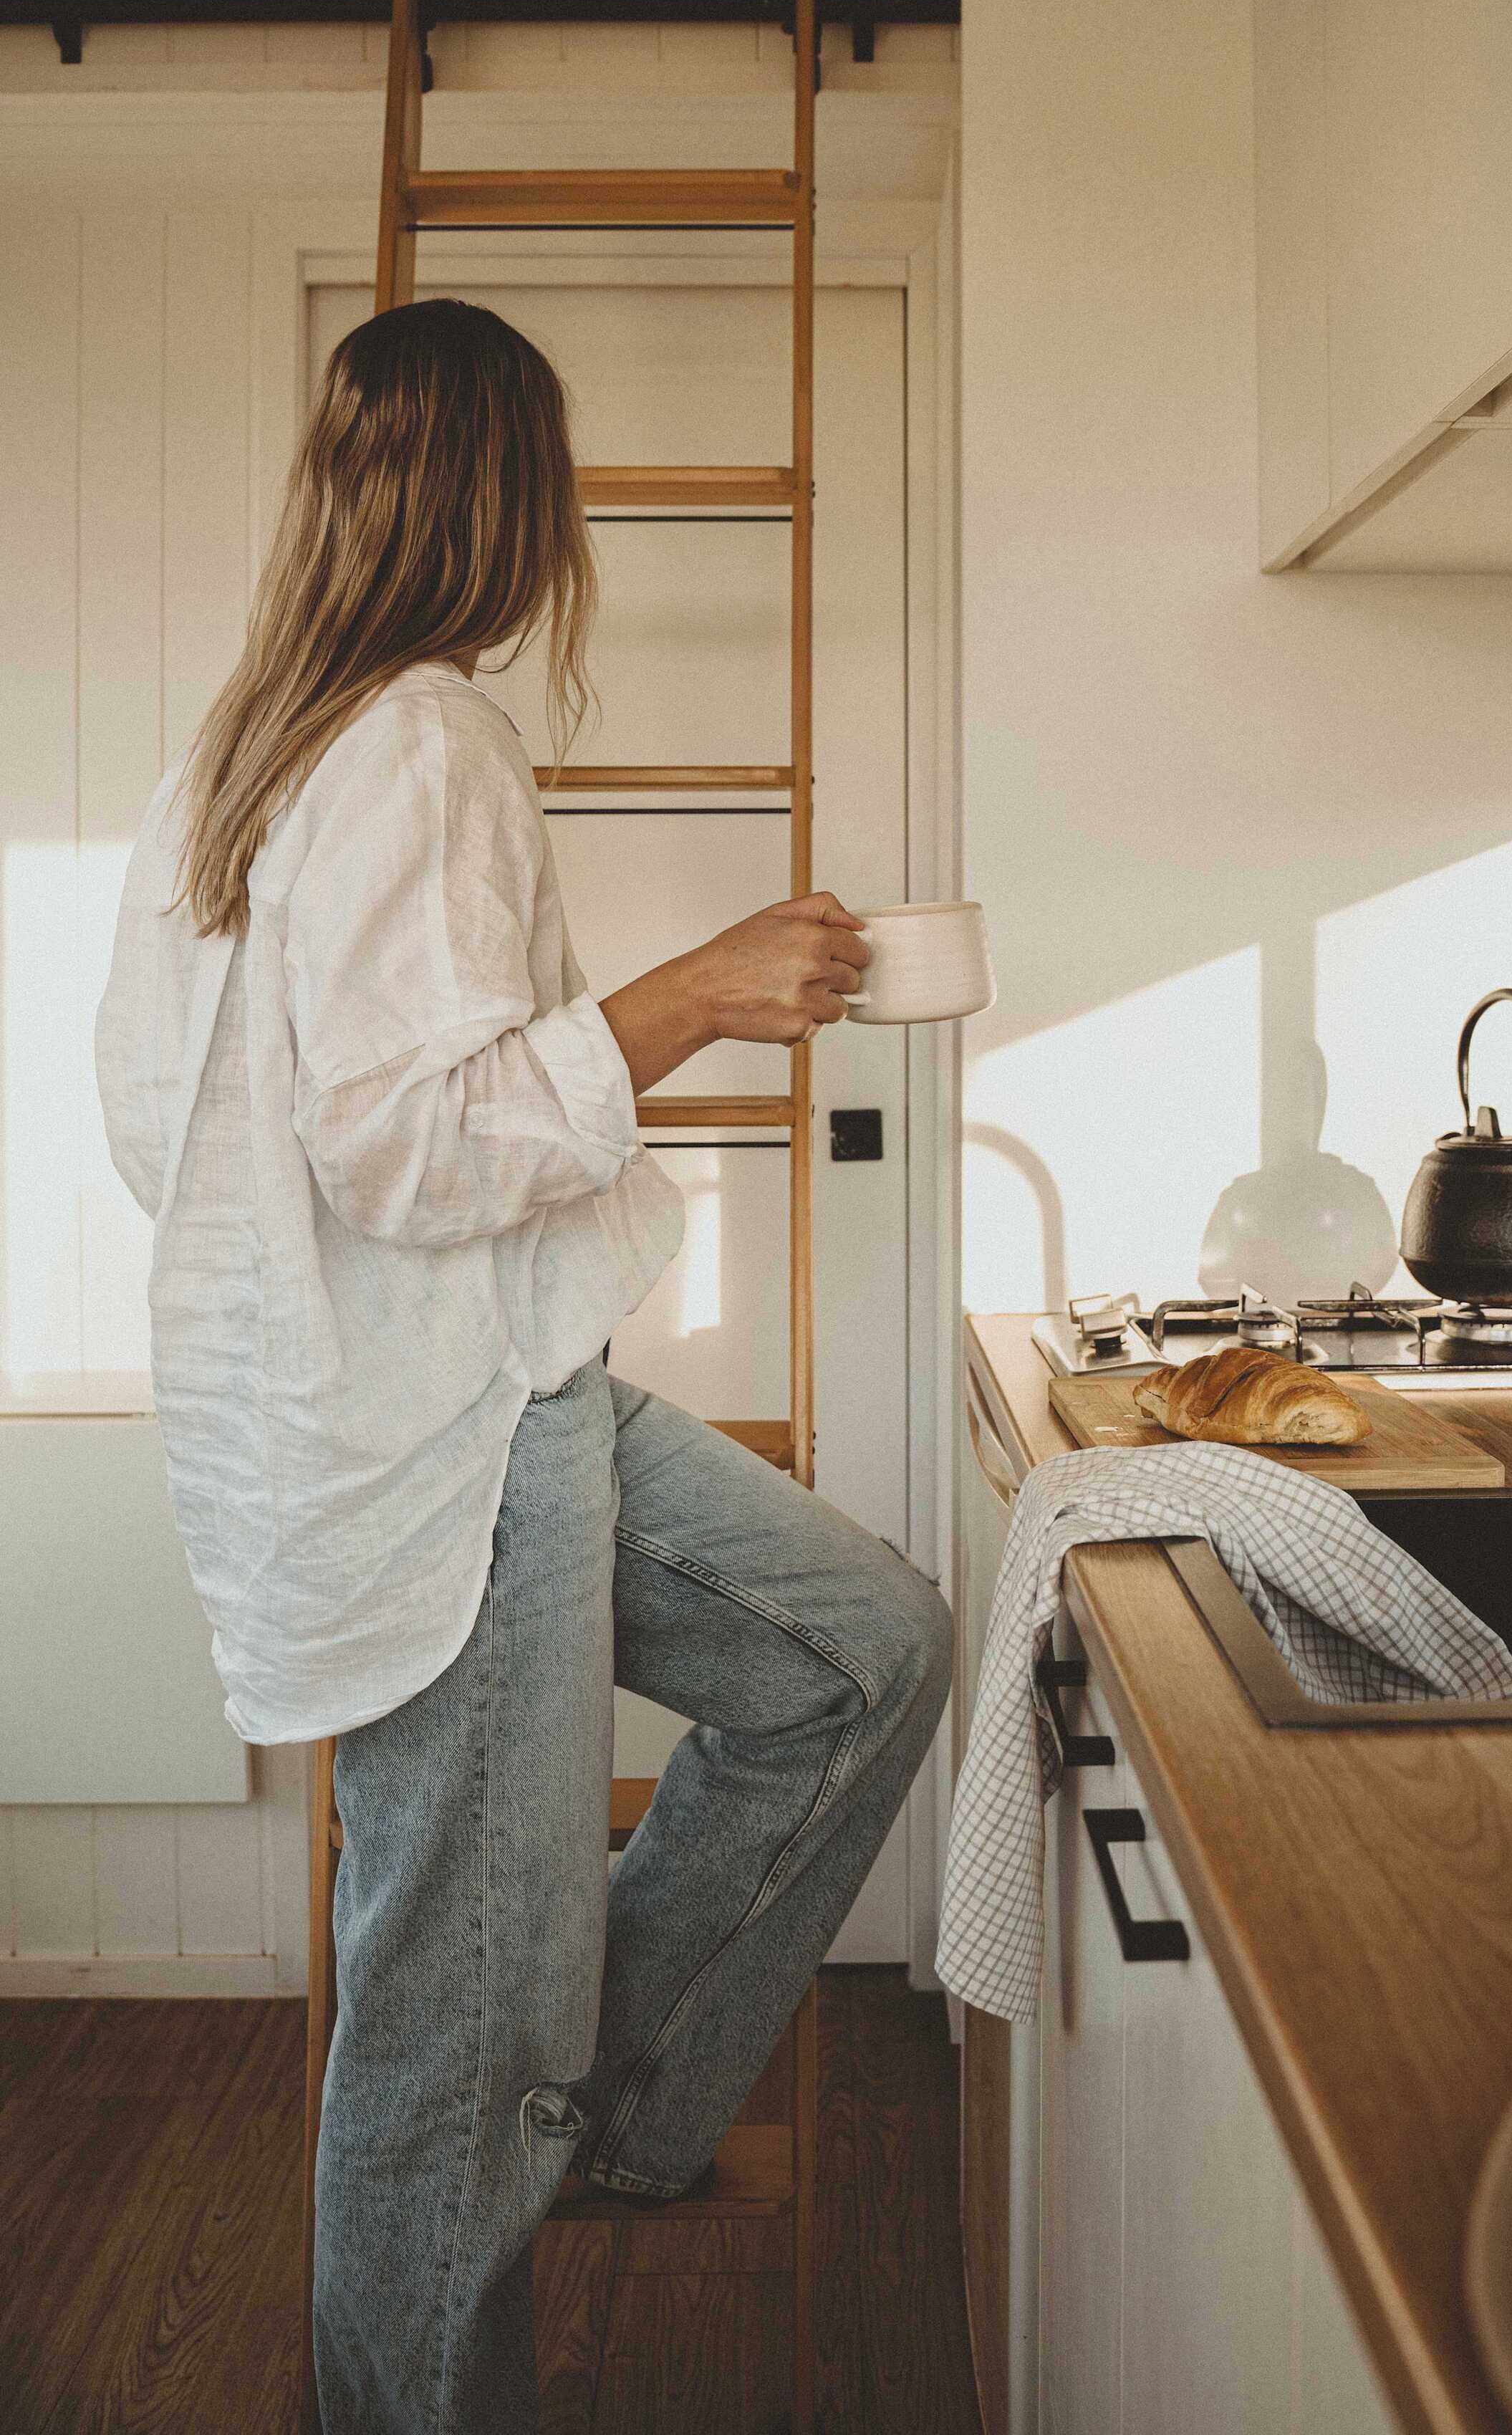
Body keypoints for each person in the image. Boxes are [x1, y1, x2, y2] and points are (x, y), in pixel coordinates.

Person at [94, 297, 952, 2434]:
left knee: (860, 1650)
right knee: (452, 2022)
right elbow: (407, 1138)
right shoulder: (413, 742)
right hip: (448, 1442)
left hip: (473, 1395)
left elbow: (178, 1128)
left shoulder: (236, 759)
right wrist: (700, 992)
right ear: (517, 502)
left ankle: (605, 2109)